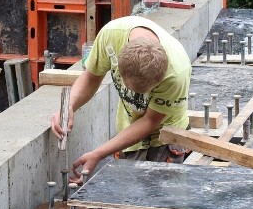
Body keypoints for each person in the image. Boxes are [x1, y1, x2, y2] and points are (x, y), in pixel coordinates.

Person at [51, 15, 191, 181]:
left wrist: (98, 154)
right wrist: (69, 106)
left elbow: (150, 121)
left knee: (160, 198)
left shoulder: (177, 74)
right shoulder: (111, 37)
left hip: (166, 136)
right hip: (131, 127)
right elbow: (91, 77)